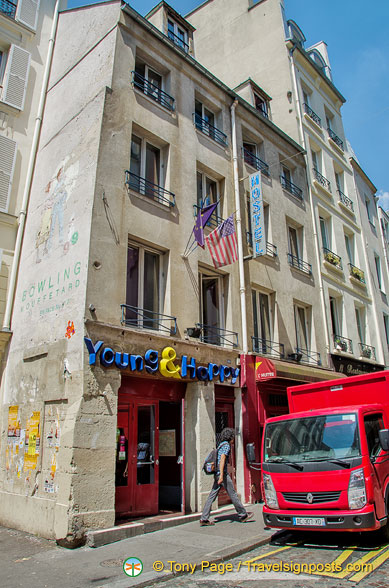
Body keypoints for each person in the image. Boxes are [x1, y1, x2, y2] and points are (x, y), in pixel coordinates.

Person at [200, 427, 254, 526]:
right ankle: (243, 515)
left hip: (217, 474)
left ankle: (204, 518)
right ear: (230, 437)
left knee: (212, 495)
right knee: (233, 494)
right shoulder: (226, 446)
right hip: (222, 474)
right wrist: (221, 475)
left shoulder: (220, 445)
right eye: (233, 436)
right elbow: (222, 459)